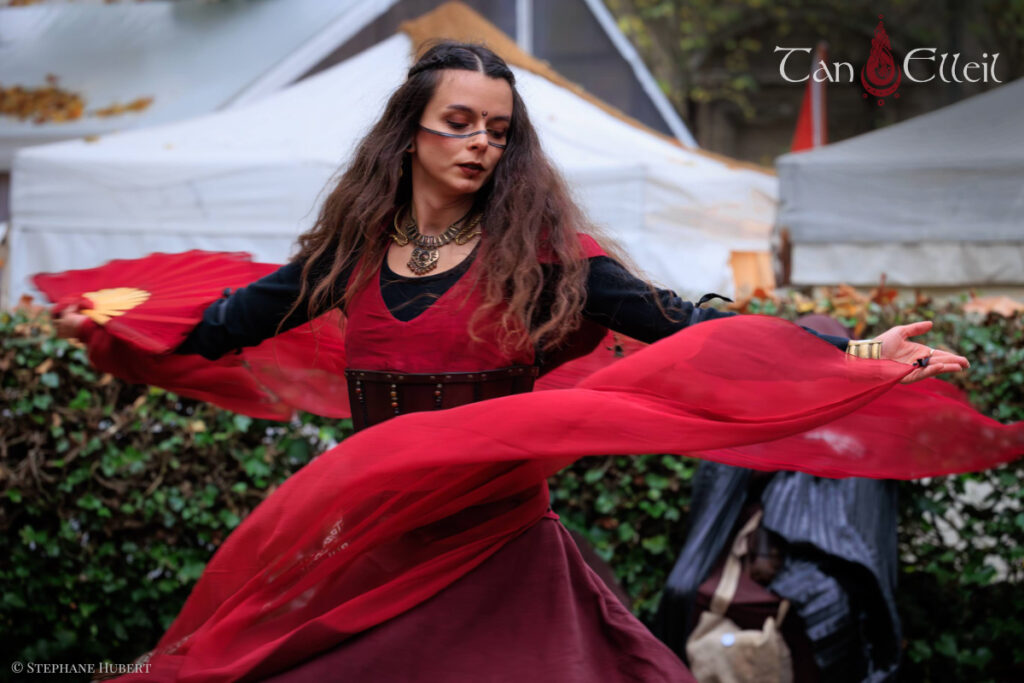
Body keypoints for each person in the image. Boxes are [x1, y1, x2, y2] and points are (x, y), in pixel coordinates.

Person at [50, 42, 1008, 683]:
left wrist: (850, 348)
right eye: (459, 121)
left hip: (497, 551)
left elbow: (689, 326)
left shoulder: (548, 261)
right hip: (373, 547)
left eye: (498, 130)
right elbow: (223, 324)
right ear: (409, 132)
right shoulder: (347, 257)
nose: (480, 142)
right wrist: (109, 325)